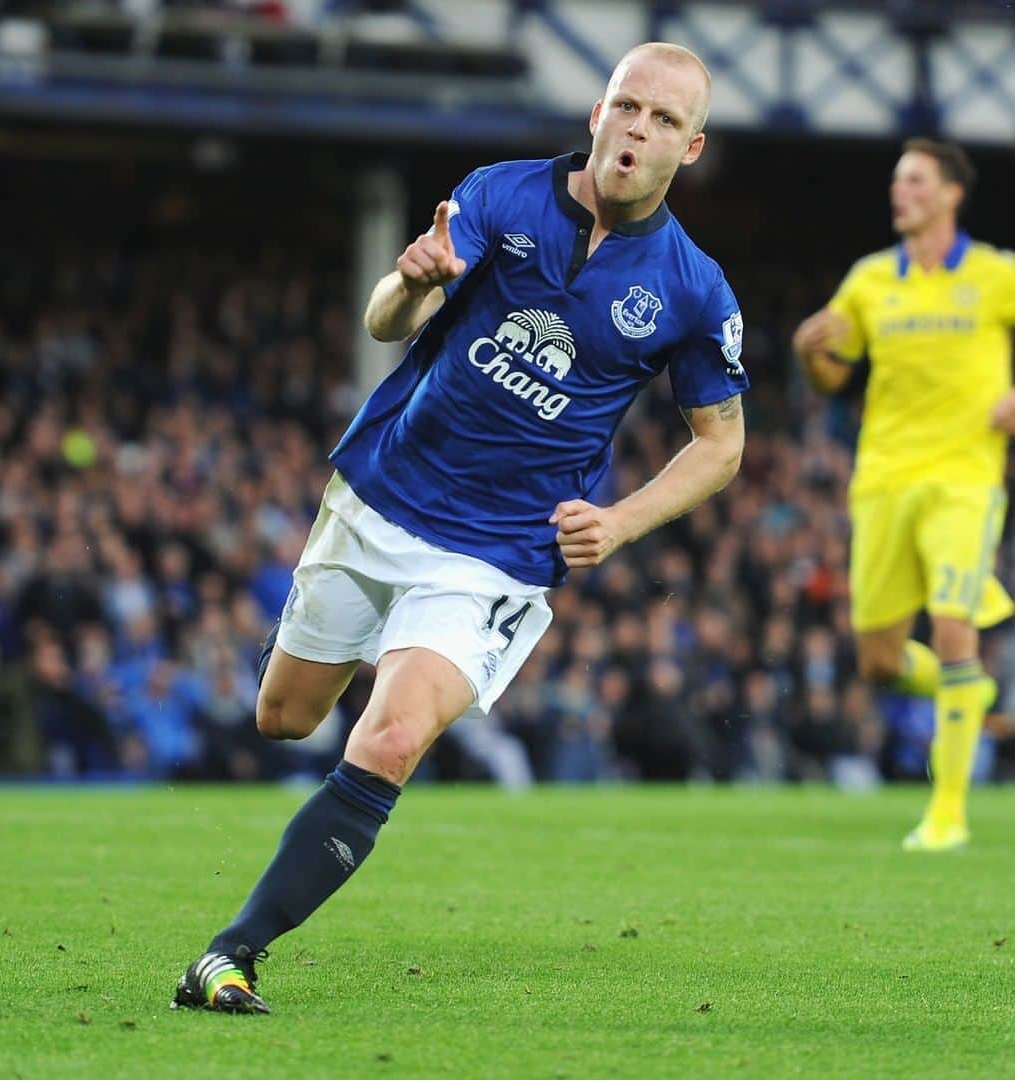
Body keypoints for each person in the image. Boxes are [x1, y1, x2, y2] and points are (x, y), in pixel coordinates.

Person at [172, 41, 748, 1014]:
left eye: (660, 120)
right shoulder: (502, 195)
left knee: (390, 738)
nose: (635, 130)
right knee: (285, 718)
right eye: (625, 106)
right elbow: (386, 323)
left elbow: (720, 442)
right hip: (382, 495)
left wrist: (624, 520)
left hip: (500, 553)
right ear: (596, 115)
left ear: (690, 149)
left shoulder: (693, 289)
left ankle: (229, 954)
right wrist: (408, 279)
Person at [792, 137, 1015, 853]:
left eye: (915, 180)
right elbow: (835, 377)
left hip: (964, 478)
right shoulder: (869, 280)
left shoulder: (994, 274)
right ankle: (968, 692)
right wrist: (808, 354)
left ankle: (946, 811)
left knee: (954, 625)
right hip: (883, 477)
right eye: (896, 181)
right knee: (879, 661)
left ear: (952, 193)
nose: (900, 192)